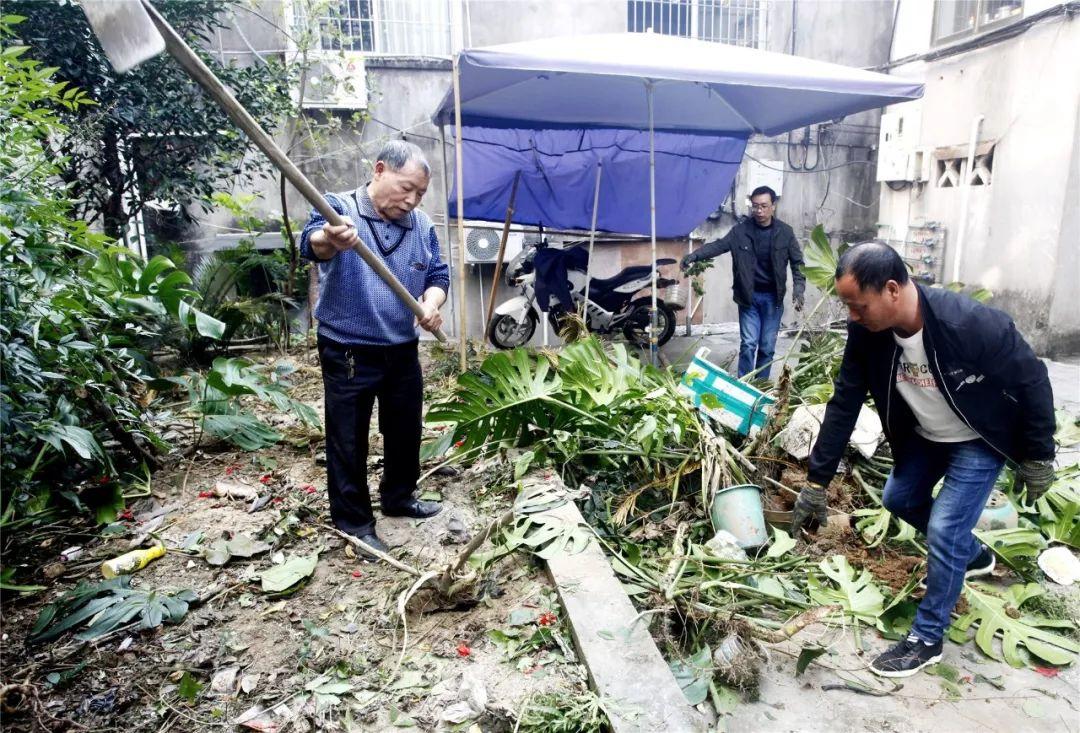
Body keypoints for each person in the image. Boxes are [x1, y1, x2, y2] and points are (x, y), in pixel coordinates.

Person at [792, 242, 1056, 677]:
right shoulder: (868, 333)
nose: (853, 316)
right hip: (924, 436)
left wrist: (1038, 455)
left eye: (859, 306)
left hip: (977, 436)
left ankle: (927, 637)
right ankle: (973, 556)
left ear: (892, 289)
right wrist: (817, 480)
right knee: (898, 498)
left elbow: (1031, 379)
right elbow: (845, 401)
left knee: (944, 527)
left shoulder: (968, 324)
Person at [300, 140, 450, 556]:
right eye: (407, 188)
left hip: (401, 346)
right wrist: (331, 239)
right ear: (380, 169)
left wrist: (430, 305)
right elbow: (310, 243)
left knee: (405, 430)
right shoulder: (338, 209)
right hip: (348, 347)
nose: (412, 199)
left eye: (420, 193)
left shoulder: (421, 225)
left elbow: (439, 274)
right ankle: (355, 523)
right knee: (348, 438)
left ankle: (399, 498)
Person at [680, 186, 806, 380]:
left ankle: (760, 385)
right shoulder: (741, 231)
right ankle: (744, 383)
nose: (759, 211)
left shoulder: (785, 232)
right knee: (748, 343)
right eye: (755, 206)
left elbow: (798, 264)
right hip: (749, 297)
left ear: (773, 206)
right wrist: (694, 256)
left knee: (767, 347)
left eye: (764, 206)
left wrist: (799, 289)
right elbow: (719, 246)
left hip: (773, 299)